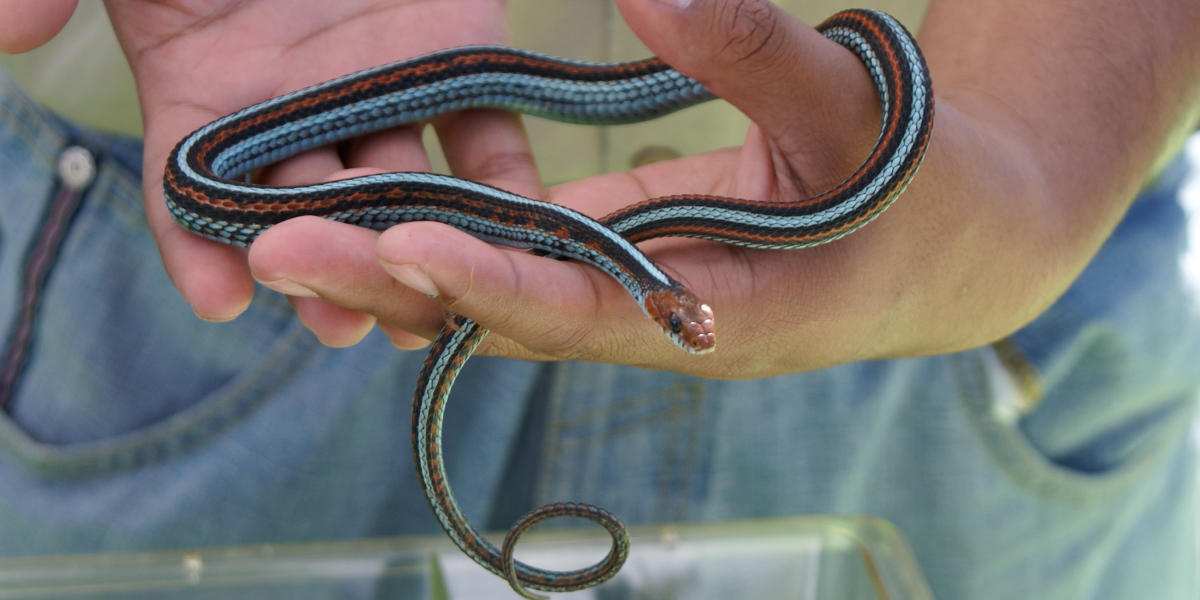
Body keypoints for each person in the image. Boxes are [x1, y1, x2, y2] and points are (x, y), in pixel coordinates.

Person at [1, 0, 1198, 597]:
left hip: (979, 301)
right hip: (131, 264)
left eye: (685, 313)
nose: (687, 315)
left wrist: (1045, 148)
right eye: (683, 307)